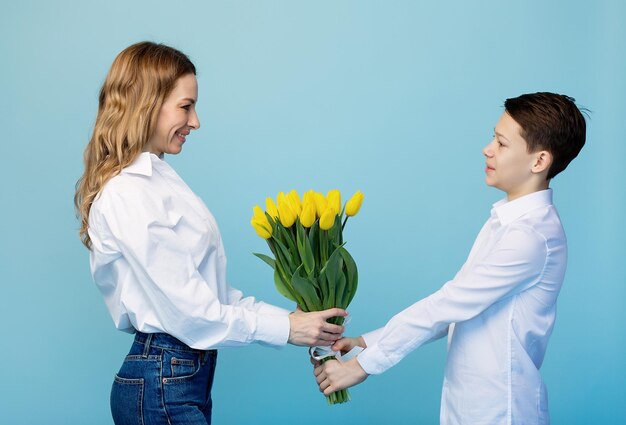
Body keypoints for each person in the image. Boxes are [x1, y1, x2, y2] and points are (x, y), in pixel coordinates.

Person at [74, 41, 346, 425]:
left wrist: (294, 321)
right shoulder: (128, 193)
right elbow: (191, 313)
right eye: (185, 107)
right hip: (163, 381)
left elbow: (212, 295)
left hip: (180, 377)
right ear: (146, 103)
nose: (196, 121)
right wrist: (284, 328)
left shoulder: (159, 182)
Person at [313, 92, 586, 424]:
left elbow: (447, 304)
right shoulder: (505, 222)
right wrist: (366, 343)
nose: (488, 149)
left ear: (539, 161)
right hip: (470, 403)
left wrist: (362, 366)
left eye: (501, 143)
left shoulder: (529, 237)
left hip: (501, 411)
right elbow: (452, 308)